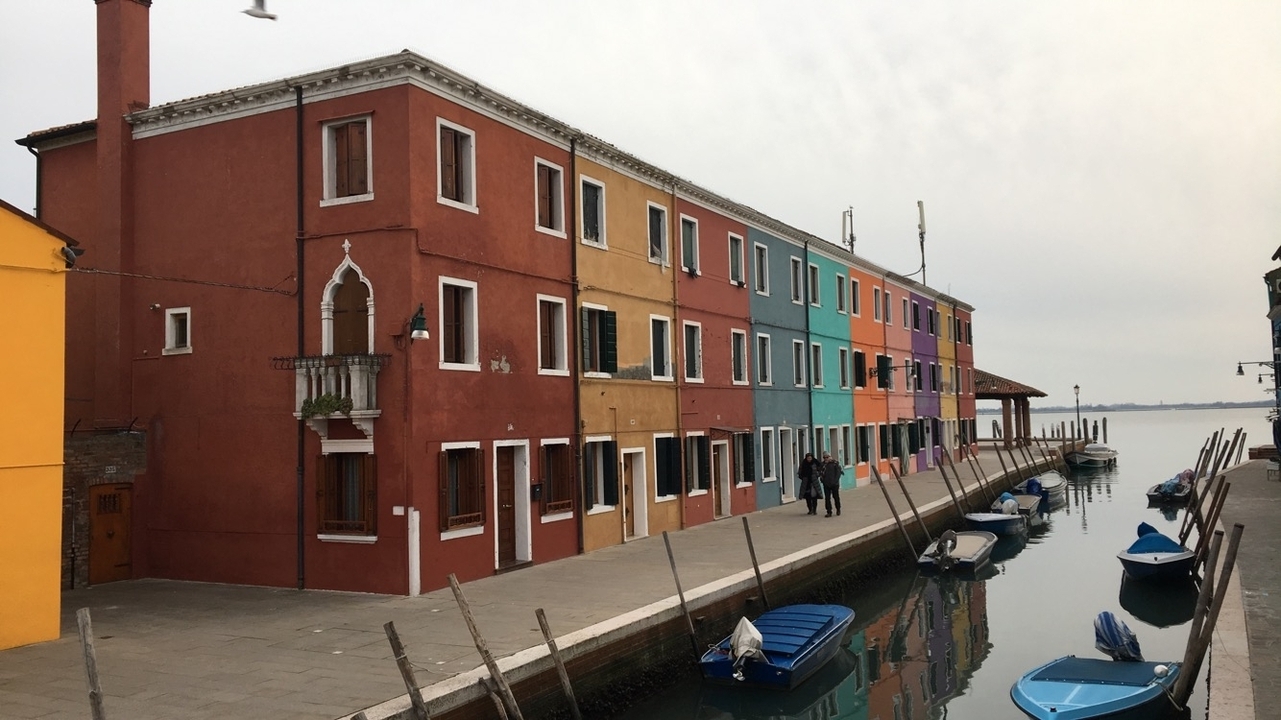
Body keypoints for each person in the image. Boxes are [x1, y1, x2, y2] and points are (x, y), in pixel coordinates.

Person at [820, 452, 844, 517]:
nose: (826, 459)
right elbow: (820, 473)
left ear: (830, 457)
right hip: (826, 484)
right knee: (827, 498)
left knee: (836, 497)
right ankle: (829, 511)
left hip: (835, 484)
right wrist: (823, 480)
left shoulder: (835, 464)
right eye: (824, 457)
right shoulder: (823, 465)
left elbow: (838, 473)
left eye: (827, 457)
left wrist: (835, 481)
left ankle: (838, 509)